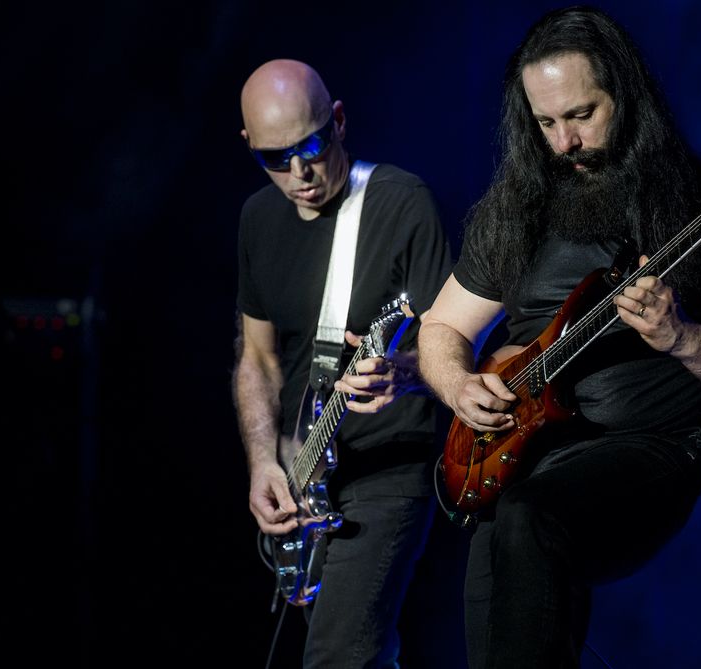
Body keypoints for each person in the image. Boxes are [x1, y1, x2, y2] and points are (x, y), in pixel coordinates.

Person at [417, 7, 701, 668]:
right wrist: (459, 384)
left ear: (625, 95)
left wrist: (681, 336)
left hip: (651, 448)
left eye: (581, 115)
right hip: (522, 452)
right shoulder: (516, 211)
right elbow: (440, 327)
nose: (563, 141)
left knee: (533, 516)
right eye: (545, 123)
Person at [233, 59, 451, 667]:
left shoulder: (401, 204)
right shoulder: (257, 219)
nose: (299, 173)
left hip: (389, 468)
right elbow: (257, 356)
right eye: (276, 158)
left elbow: (460, 349)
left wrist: (404, 372)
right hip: (305, 478)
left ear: (338, 121)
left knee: (336, 658)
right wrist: (262, 464)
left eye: (310, 146)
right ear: (249, 147)